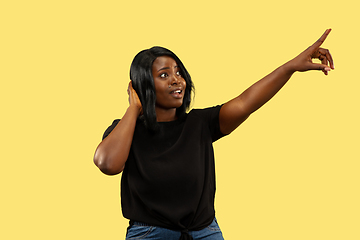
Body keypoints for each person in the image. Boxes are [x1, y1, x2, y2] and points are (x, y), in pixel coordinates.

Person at [93, 29, 334, 240]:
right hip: (149, 233)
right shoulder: (125, 129)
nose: (177, 80)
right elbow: (107, 163)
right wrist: (134, 108)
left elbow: (246, 102)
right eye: (164, 75)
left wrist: (290, 66)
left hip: (204, 232)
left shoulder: (200, 123)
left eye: (178, 72)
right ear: (143, 84)